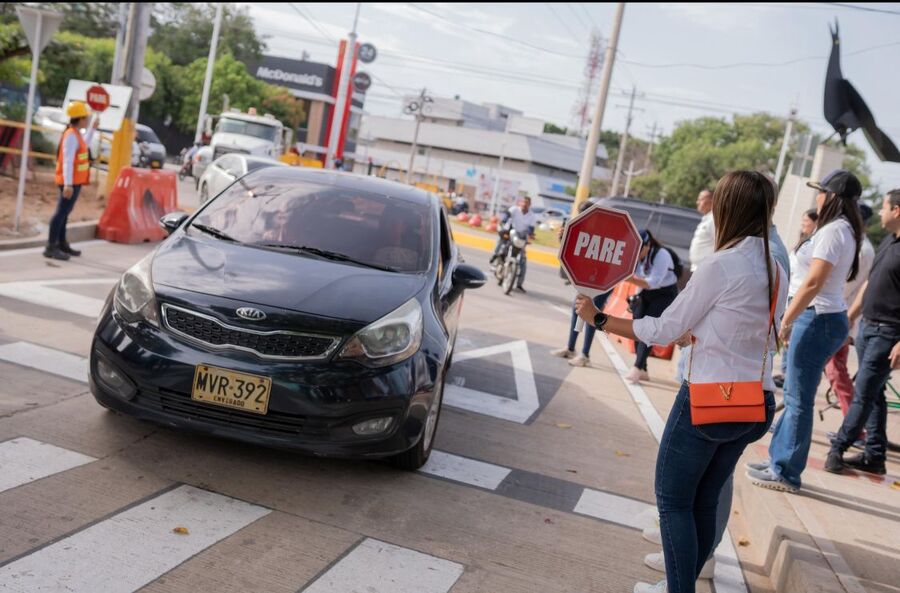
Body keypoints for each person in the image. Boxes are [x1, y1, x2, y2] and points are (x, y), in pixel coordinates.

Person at [576, 170, 787, 593]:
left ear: (726, 209)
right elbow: (752, 328)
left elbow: (663, 329)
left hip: (711, 401)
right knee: (705, 501)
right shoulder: (776, 267)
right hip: (755, 402)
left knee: (673, 502)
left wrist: (598, 318)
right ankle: (684, 583)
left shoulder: (722, 265)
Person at [747, 169, 864, 493]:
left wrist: (787, 319)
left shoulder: (833, 231)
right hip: (822, 317)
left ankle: (786, 471)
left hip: (816, 318)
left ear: (834, 197)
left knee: (798, 398)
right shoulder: (843, 229)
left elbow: (813, 282)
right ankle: (778, 461)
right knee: (797, 394)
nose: (818, 196)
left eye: (822, 191)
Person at [825, 189, 900, 475]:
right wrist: (849, 318)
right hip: (868, 327)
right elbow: (869, 285)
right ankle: (875, 455)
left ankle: (839, 447)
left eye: (883, 207)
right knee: (875, 393)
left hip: (888, 333)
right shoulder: (888, 243)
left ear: (897, 211)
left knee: (864, 393)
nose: (879, 213)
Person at [823, 203, 876, 439]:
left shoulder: (861, 248)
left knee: (836, 372)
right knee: (834, 372)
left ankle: (855, 429)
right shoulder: (858, 245)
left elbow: (845, 286)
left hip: (841, 317)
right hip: (841, 316)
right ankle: (855, 428)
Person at [552, 198, 610, 367]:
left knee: (592, 314)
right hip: (587, 279)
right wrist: (562, 238)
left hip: (602, 281)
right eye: (581, 213)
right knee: (577, 309)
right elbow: (571, 252)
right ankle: (571, 348)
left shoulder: (603, 230)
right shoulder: (579, 228)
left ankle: (585, 355)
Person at [773, 208, 820, 388]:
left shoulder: (814, 244)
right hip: (792, 292)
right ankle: (786, 373)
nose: (803, 224)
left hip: (800, 295)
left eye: (806, 221)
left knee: (789, 336)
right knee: (786, 337)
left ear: (816, 222)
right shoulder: (804, 241)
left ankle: (788, 375)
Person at [625, 230, 680, 384]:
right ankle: (643, 369)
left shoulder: (662, 255)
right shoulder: (635, 255)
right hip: (644, 291)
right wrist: (634, 299)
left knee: (649, 328)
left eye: (640, 249)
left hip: (664, 293)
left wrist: (630, 279)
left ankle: (636, 367)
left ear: (648, 245)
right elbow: (640, 279)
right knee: (637, 326)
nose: (636, 253)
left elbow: (653, 282)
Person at [45, 101, 98, 261]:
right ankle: (51, 246)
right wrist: (68, 184)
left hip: (74, 181)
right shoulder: (70, 135)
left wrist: (93, 128)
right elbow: (68, 161)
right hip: (69, 182)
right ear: (80, 118)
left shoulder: (75, 134)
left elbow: (84, 144)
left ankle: (61, 243)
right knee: (61, 213)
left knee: (65, 213)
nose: (88, 119)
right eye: (87, 118)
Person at [491, 196, 537, 292]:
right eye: (523, 202)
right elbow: (506, 215)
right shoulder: (514, 209)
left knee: (523, 260)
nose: (524, 204)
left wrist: (530, 233)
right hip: (510, 233)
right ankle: (494, 261)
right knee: (502, 247)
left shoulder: (532, 216)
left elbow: (531, 229)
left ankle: (519, 284)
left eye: (527, 203)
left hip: (521, 238)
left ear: (529, 205)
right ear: (520, 203)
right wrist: (503, 221)